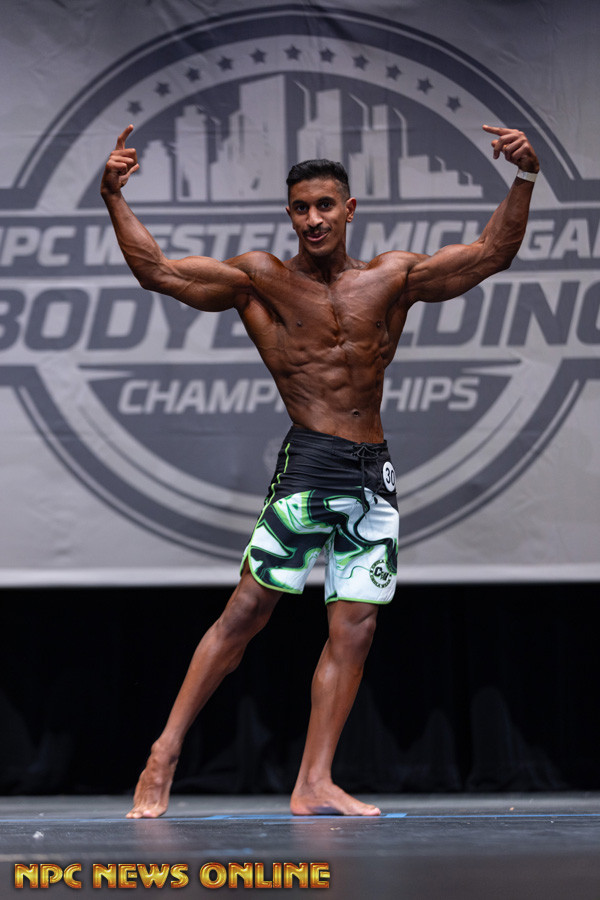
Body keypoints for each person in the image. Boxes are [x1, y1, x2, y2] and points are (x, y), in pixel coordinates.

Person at [101, 123, 539, 818]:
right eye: (301, 208)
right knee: (247, 613)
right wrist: (113, 196)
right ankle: (164, 753)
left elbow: (491, 254)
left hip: (373, 474)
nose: (313, 219)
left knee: (355, 629)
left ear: (349, 209)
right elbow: (159, 271)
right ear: (289, 214)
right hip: (311, 462)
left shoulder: (391, 277)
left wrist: (525, 177)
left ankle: (314, 781)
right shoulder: (261, 280)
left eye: (325, 205)